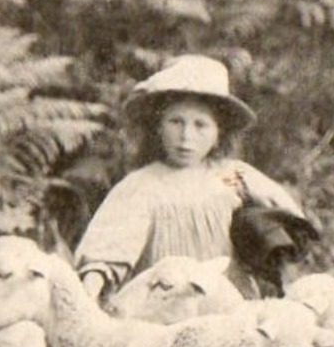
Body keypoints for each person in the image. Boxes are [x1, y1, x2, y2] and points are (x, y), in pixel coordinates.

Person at [75, 55, 304, 301]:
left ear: (219, 133)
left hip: (227, 304)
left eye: (200, 125)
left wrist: (269, 230)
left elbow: (290, 218)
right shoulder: (142, 185)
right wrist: (91, 290)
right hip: (164, 308)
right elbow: (110, 246)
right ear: (158, 126)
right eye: (176, 122)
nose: (186, 137)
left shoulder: (228, 176)